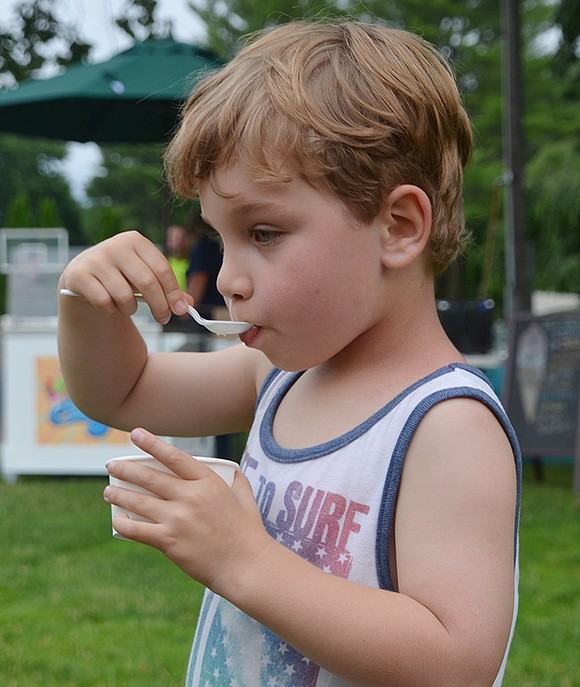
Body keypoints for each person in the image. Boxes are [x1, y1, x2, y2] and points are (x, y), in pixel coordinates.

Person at [57, 20, 521, 687]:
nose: (227, 278)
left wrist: (245, 560)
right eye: (222, 236)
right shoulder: (280, 373)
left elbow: (456, 661)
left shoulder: (447, 424)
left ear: (397, 228)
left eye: (264, 233)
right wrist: (83, 303)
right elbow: (121, 390)